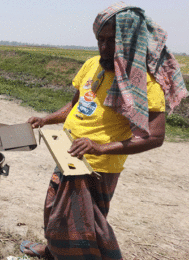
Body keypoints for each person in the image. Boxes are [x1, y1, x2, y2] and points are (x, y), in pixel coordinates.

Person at [21, 2, 188, 260]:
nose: (104, 47)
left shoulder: (143, 82)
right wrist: (47, 119)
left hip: (98, 168)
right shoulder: (92, 65)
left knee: (84, 229)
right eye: (101, 39)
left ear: (130, 40)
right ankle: (52, 252)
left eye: (113, 40)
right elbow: (76, 105)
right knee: (54, 212)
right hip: (67, 155)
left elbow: (155, 137)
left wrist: (99, 147)